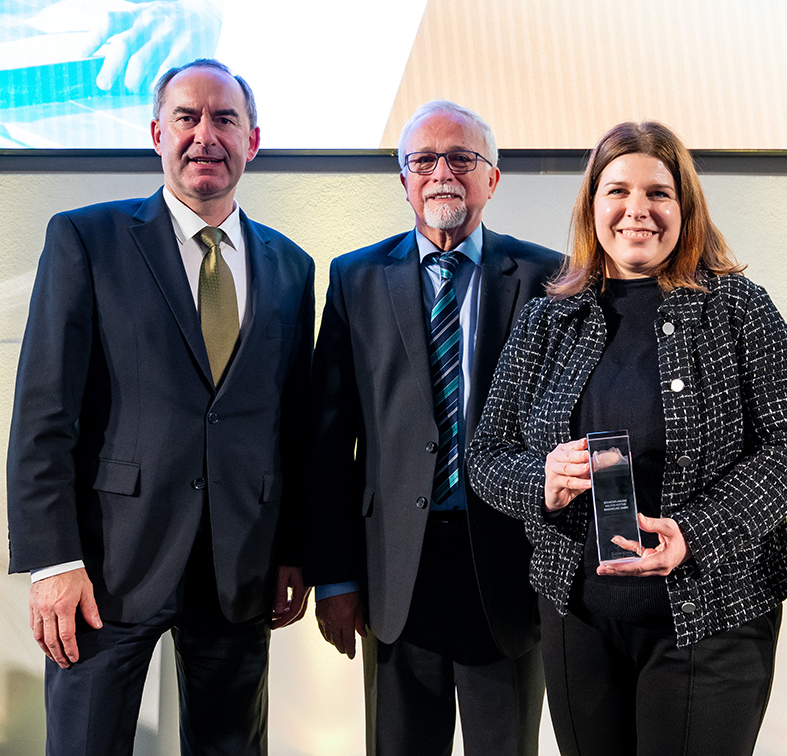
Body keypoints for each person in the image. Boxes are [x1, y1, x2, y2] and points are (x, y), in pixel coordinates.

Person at [468, 121, 787, 756]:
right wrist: (538, 481)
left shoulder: (741, 308)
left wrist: (699, 532)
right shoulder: (549, 315)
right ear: (592, 206)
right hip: (578, 611)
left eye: (658, 193)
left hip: (714, 610)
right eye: (617, 192)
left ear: (685, 207)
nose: (638, 211)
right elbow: (488, 454)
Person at [6, 58, 313, 754]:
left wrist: (296, 551)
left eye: (225, 118)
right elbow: (43, 414)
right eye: (187, 117)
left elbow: (291, 425)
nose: (206, 134)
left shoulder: (291, 266)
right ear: (156, 132)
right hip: (107, 569)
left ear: (252, 140)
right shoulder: (86, 240)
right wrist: (53, 562)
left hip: (240, 569)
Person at [305, 100, 562, 756]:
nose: (442, 172)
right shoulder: (356, 278)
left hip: (509, 572)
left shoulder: (548, 278)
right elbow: (329, 444)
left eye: (461, 159)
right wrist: (334, 577)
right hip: (395, 576)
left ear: (492, 177)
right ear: (404, 180)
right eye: (424, 160)